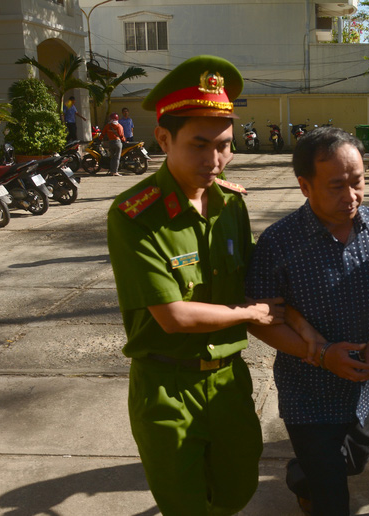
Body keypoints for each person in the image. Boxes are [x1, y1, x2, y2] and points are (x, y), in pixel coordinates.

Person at [107, 55, 284, 515]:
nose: (215, 160)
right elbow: (174, 316)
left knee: (237, 490)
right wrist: (250, 315)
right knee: (186, 507)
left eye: (224, 145)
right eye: (199, 144)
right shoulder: (135, 215)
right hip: (167, 388)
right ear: (163, 138)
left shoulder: (231, 205)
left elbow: (253, 281)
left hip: (228, 382)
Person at [246, 126, 369, 516]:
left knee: (354, 462)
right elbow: (261, 319)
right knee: (332, 498)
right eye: (336, 186)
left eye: (357, 182)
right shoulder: (278, 242)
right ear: (305, 186)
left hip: (364, 381)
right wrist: (323, 355)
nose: (351, 196)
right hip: (306, 387)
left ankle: (301, 474)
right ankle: (315, 478)